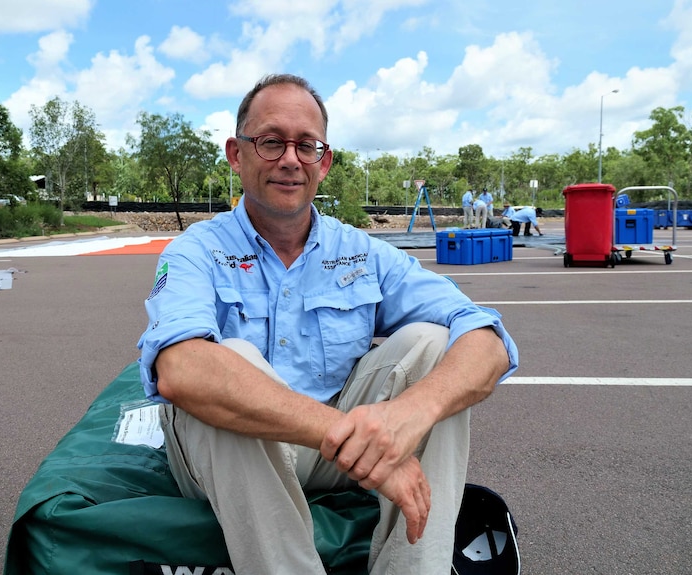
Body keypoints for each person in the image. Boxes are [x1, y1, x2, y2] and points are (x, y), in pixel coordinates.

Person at [137, 73, 518, 575]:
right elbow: (181, 370)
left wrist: (409, 415)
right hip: (235, 457)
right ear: (237, 154)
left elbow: (488, 340)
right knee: (227, 363)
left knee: (434, 343)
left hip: (338, 458)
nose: (291, 159)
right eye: (271, 142)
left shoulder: (361, 253)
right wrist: (343, 432)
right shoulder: (197, 251)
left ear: (325, 161)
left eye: (307, 145)